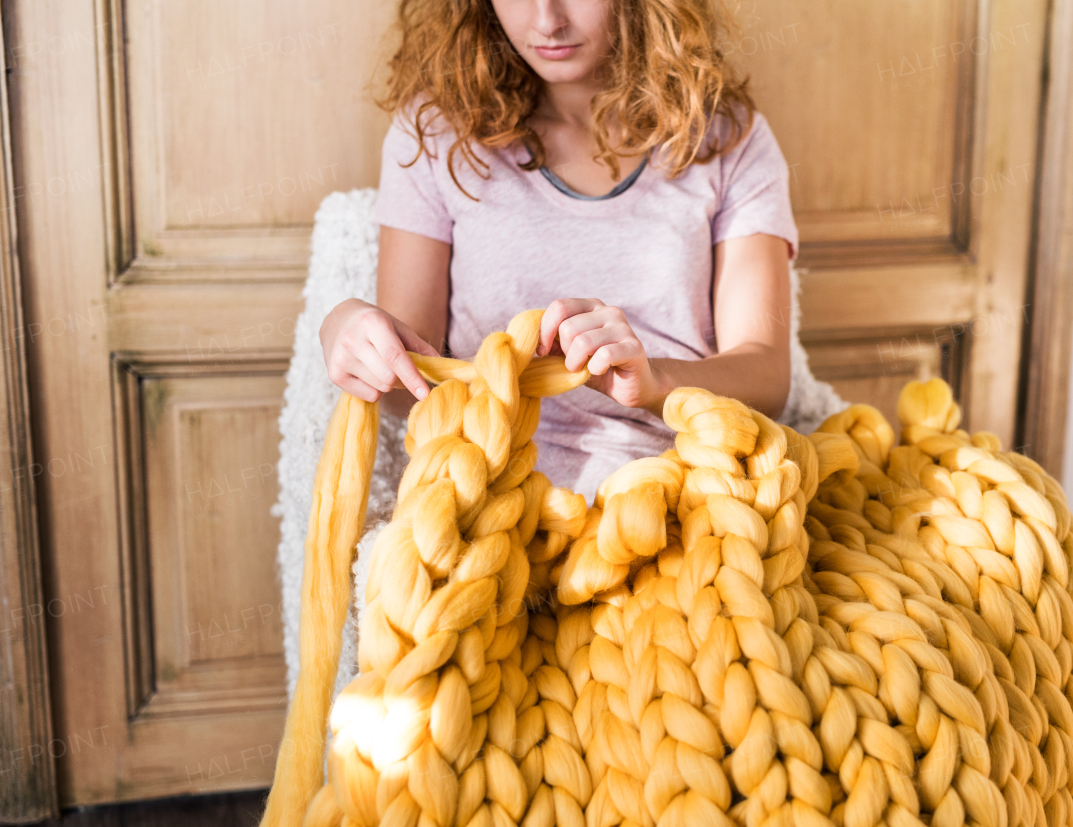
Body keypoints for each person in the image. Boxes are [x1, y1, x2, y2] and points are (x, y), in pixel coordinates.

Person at [319, 0, 799, 500]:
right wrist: (347, 326)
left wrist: (654, 383)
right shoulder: (435, 135)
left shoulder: (726, 136)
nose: (548, 20)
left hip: (682, 490)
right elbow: (406, 388)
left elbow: (766, 374)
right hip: (485, 492)